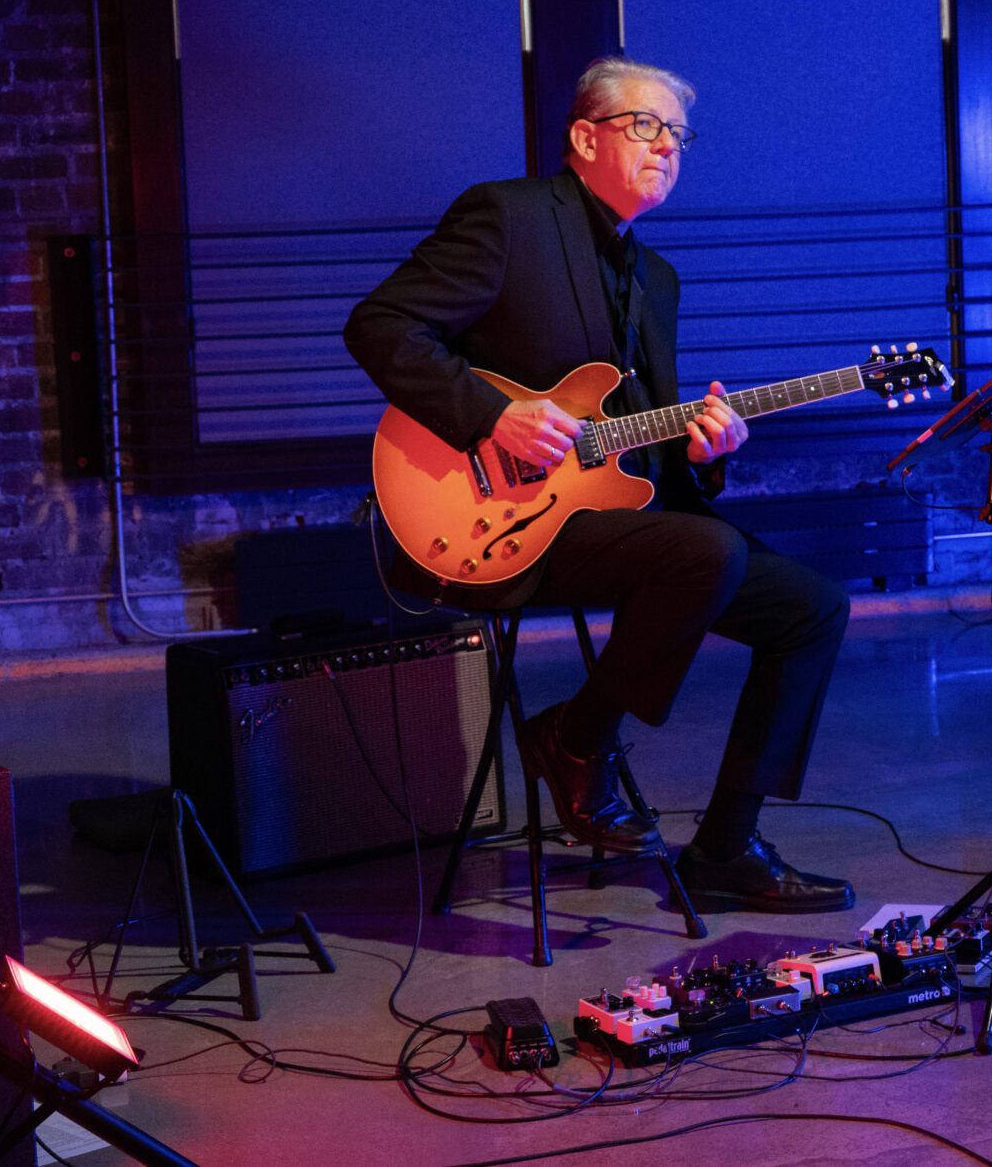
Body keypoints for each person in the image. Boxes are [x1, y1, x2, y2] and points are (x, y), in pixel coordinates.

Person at [344, 55, 853, 913]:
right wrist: (489, 415)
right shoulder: (507, 218)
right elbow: (381, 325)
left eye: (679, 137)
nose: (667, 148)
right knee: (706, 552)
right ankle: (580, 736)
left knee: (813, 607)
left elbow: (640, 446)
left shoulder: (657, 281)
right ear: (584, 137)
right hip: (494, 519)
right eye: (645, 127)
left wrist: (704, 451)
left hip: (609, 520)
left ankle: (725, 845)